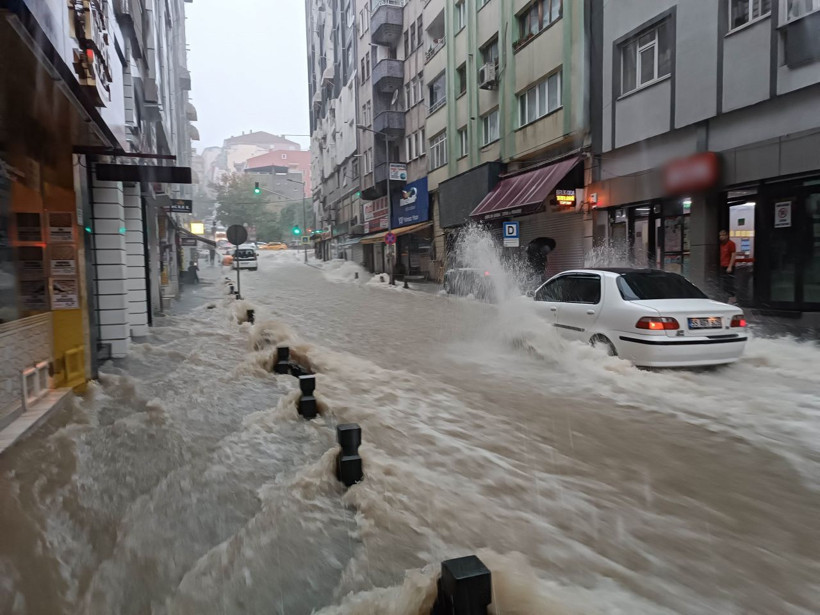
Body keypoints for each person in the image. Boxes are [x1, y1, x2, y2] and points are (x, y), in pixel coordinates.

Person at [719, 229, 737, 304]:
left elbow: (733, 255)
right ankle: (726, 298)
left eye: (723, 235)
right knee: (724, 284)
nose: (721, 237)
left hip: (728, 266)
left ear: (727, 236)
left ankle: (733, 298)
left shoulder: (731, 244)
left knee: (729, 284)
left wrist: (730, 266)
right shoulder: (721, 245)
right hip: (723, 266)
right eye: (720, 235)